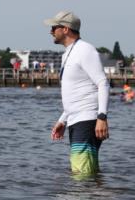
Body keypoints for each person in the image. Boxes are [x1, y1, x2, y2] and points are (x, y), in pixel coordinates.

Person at [45, 11, 109, 177]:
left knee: (82, 175)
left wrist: (101, 117)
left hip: (87, 119)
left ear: (65, 29)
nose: (50, 31)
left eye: (54, 27)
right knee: (86, 173)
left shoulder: (85, 50)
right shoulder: (68, 53)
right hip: (76, 119)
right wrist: (63, 120)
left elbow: (102, 83)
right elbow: (76, 93)